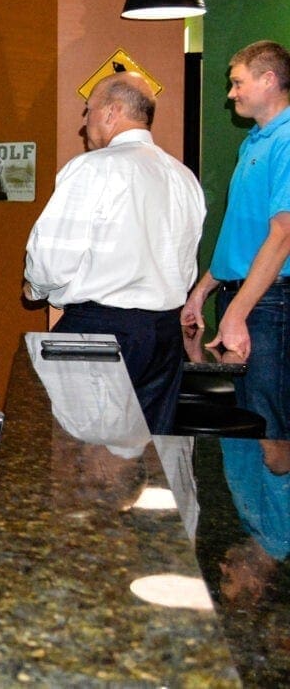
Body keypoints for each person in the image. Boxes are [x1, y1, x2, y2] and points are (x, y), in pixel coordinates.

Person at [23, 71, 206, 434]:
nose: (84, 122)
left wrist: (36, 288)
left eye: (87, 110)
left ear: (111, 112)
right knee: (150, 452)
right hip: (164, 335)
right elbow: (185, 268)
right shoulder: (183, 177)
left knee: (85, 449)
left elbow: (52, 259)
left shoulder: (92, 169)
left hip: (101, 331)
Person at [181, 40, 290, 441]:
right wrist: (202, 290)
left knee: (269, 430)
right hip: (245, 299)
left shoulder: (288, 139)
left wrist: (238, 312)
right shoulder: (254, 141)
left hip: (270, 303)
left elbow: (283, 235)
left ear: (268, 79)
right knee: (247, 423)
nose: (231, 94)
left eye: (237, 83)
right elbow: (242, 235)